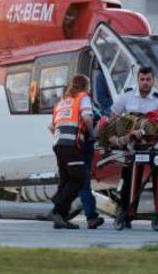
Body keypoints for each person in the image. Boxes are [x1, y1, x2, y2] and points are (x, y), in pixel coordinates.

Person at [111, 66, 158, 228]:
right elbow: (114, 116)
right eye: (142, 79)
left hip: (153, 146)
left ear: (153, 80)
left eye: (148, 79)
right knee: (128, 178)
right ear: (138, 80)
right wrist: (127, 132)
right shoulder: (127, 96)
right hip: (132, 146)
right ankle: (125, 214)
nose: (145, 83)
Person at [48, 74, 100, 229]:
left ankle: (60, 217)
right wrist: (92, 133)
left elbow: (51, 127)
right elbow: (87, 117)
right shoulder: (83, 98)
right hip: (72, 144)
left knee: (66, 179)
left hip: (58, 144)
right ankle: (57, 203)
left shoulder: (61, 102)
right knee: (80, 177)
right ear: (86, 87)